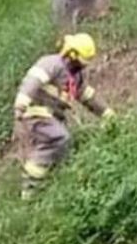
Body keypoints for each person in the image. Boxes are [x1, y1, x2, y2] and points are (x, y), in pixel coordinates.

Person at [13, 32, 115, 198]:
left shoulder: (76, 76)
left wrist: (106, 113)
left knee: (64, 147)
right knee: (60, 138)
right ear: (71, 55)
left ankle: (46, 184)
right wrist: (21, 104)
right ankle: (29, 186)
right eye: (80, 63)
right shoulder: (51, 63)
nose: (82, 67)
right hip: (35, 112)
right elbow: (32, 83)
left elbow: (86, 96)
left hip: (52, 116)